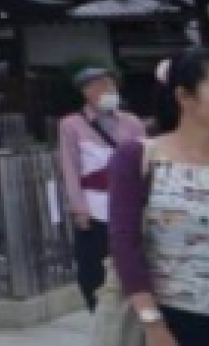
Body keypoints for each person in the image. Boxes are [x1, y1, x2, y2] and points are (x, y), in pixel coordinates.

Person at [108, 48, 209, 346]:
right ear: (185, 97)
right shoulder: (139, 157)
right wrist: (153, 325)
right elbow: (125, 245)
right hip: (175, 324)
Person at [57, 66, 146, 312]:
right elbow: (70, 167)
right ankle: (99, 314)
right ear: (86, 92)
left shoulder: (132, 122)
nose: (107, 90)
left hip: (128, 203)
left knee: (131, 262)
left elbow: (145, 164)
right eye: (99, 86)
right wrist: (78, 208)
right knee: (92, 268)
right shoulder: (71, 124)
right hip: (94, 202)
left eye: (110, 85)